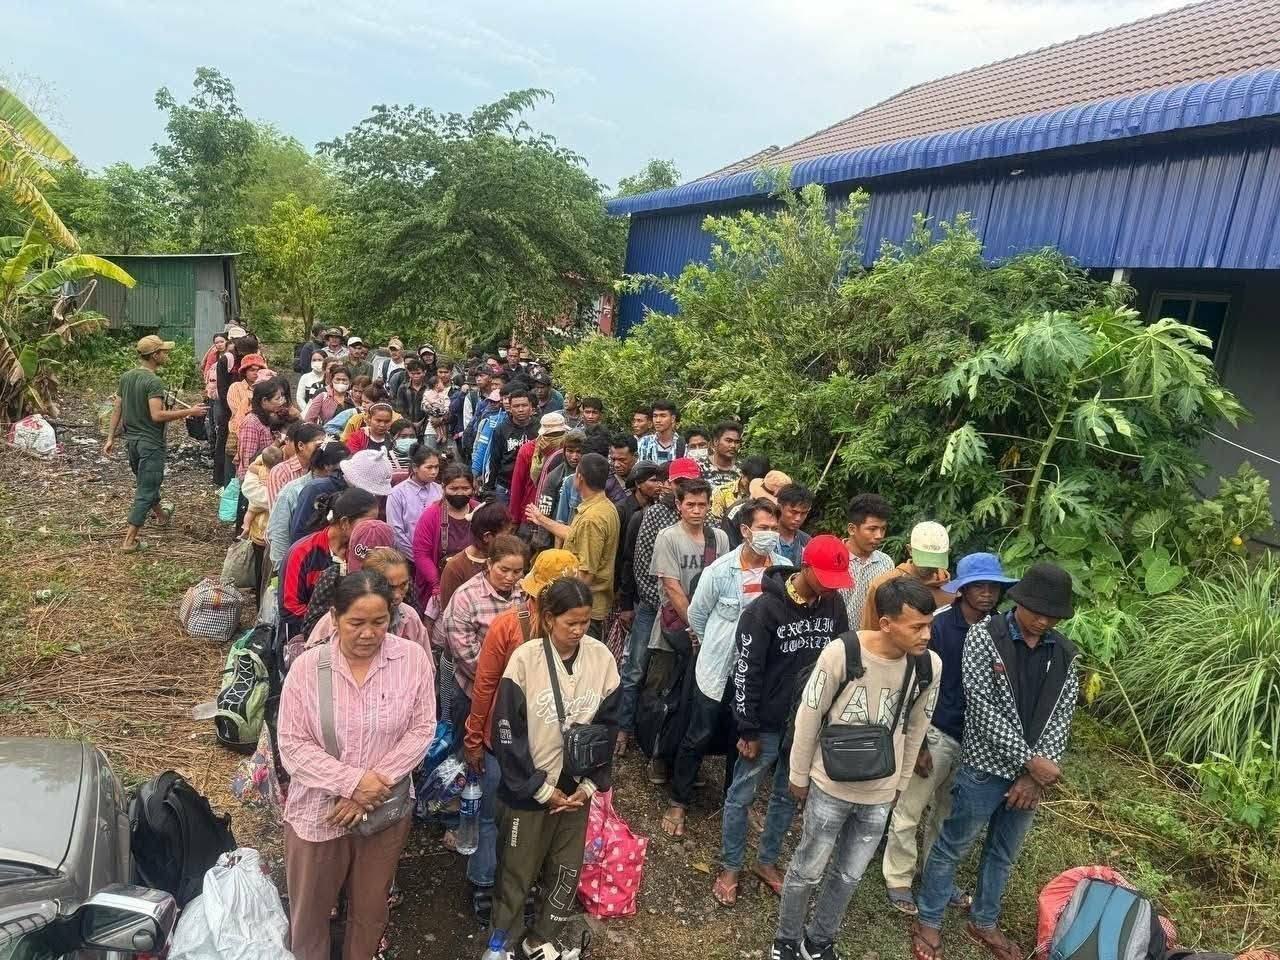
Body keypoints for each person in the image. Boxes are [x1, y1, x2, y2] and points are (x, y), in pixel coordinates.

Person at [912, 563, 1080, 960]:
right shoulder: (984, 636)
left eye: (1052, 614)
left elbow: (1062, 715)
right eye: (1037, 611)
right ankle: (929, 919)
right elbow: (983, 708)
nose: (1043, 620)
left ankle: (984, 919)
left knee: (1003, 853)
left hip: (1029, 780)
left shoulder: (1064, 653)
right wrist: (1029, 761)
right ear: (1019, 602)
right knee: (952, 845)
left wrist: (1034, 777)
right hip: (984, 768)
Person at [774, 578, 941, 960]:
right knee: (807, 869)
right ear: (886, 624)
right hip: (829, 787)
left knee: (849, 875)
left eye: (929, 625)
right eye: (917, 626)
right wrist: (798, 775)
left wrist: (899, 783)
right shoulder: (842, 652)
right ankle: (786, 939)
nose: (927, 635)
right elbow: (809, 714)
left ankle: (819, 941)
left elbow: (917, 728)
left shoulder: (929, 666)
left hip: (880, 793)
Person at [278, 569, 435, 960]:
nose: (368, 633)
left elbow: (421, 729)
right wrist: (352, 784)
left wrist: (369, 788)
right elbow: (293, 745)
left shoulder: (411, 659)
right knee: (309, 915)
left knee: (370, 910)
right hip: (320, 814)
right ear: (334, 617)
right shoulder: (307, 669)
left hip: (383, 812)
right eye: (356, 623)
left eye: (379, 622)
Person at [714, 534, 853, 908]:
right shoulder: (763, 611)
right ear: (805, 567)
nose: (831, 588)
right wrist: (747, 726)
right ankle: (730, 866)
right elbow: (746, 671)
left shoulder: (833, 605)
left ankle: (766, 860)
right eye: (826, 578)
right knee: (742, 794)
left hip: (806, 724)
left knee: (787, 794)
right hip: (765, 723)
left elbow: (840, 657)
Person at [486, 579, 621, 960]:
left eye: (585, 622)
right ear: (548, 619)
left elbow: (610, 724)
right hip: (531, 788)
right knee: (516, 871)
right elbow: (506, 731)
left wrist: (590, 785)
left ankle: (542, 936)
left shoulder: (601, 659)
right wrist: (539, 789)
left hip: (576, 789)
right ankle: (502, 942)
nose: (578, 631)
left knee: (566, 869)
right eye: (570, 623)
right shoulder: (525, 660)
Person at [883, 552, 1017, 916]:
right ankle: (898, 876)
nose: (987, 593)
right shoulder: (939, 626)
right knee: (911, 807)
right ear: (963, 589)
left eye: (993, 587)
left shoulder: (1000, 631)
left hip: (974, 739)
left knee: (948, 812)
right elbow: (913, 683)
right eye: (979, 586)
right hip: (937, 730)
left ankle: (935, 874)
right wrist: (918, 743)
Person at [461, 550, 580, 919]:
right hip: (521, 741)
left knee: (513, 816)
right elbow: (485, 685)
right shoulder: (512, 627)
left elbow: (485, 686)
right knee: (504, 814)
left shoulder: (530, 627)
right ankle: (495, 881)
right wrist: (474, 737)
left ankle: (503, 882)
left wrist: (475, 738)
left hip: (528, 742)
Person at [662, 497, 788, 838]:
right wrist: (715, 645)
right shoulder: (720, 571)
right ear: (745, 530)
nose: (770, 534)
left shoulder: (783, 571)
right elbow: (697, 616)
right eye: (763, 528)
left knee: (743, 739)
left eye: (774, 528)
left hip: (758, 676)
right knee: (698, 733)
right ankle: (679, 800)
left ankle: (736, 803)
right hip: (718, 670)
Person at [644, 476, 730, 784]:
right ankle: (657, 755)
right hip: (673, 630)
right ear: (678, 505)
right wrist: (696, 625)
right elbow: (671, 586)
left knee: (696, 699)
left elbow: (724, 581)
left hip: (709, 635)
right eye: (690, 504)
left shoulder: (719, 538)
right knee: (663, 694)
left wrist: (708, 631)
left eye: (702, 505)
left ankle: (687, 759)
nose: (696, 510)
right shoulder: (668, 538)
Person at [614, 457, 701, 757]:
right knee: (636, 668)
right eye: (680, 483)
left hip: (691, 613)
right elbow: (641, 567)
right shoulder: (653, 516)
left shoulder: (709, 522)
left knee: (674, 676)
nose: (686, 489)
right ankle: (624, 727)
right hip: (655, 607)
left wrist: (691, 609)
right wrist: (668, 605)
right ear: (669, 484)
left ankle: (663, 734)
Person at [103, 335, 208, 553]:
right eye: (164, 352)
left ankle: (161, 515)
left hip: (132, 443)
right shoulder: (154, 382)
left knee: (146, 482)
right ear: (154, 355)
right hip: (150, 443)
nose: (167, 355)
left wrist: (110, 437)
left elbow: (117, 408)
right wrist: (190, 411)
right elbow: (157, 415)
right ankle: (129, 541)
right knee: (146, 488)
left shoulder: (127, 377)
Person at [524, 452, 620, 639]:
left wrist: (563, 605)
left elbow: (586, 573)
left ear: (579, 478)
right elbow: (574, 535)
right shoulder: (604, 507)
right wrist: (541, 519)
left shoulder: (592, 518)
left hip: (581, 609)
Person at [436, 534, 529, 724]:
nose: (510, 578)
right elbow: (467, 657)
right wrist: (503, 684)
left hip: (517, 691)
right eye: (504, 570)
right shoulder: (465, 598)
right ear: (489, 563)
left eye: (517, 571)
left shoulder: (524, 592)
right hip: (472, 693)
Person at [280, 488, 381, 641]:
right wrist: (333, 627)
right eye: (367, 523)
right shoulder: (302, 552)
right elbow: (290, 607)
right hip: (306, 637)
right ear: (345, 522)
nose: (371, 529)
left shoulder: (366, 552)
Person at [307, 546, 430, 653]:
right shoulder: (338, 618)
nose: (397, 595)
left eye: (403, 585)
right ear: (369, 582)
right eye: (390, 587)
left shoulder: (410, 618)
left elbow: (425, 665)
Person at [268, 441, 350, 576]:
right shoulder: (295, 490)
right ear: (327, 466)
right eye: (342, 467)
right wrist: (283, 569)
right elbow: (279, 531)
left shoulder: (344, 487)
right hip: (298, 566)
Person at [411, 464, 480, 617]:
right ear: (443, 487)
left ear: (473, 488)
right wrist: (437, 584)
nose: (460, 493)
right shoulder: (431, 515)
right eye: (453, 489)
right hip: (439, 581)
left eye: (465, 488)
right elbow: (421, 554)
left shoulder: (479, 512)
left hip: (475, 584)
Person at [861, 521, 953, 630]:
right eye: (924, 558)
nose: (927, 566)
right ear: (910, 550)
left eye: (934, 560)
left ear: (947, 553)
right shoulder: (882, 585)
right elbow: (869, 631)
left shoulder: (951, 591)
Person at [437, 502, 517, 615]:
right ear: (487, 537)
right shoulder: (456, 568)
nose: (511, 538)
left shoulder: (509, 559)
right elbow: (451, 614)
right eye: (507, 534)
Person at [840, 493, 895, 627]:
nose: (879, 536)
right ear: (852, 529)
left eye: (883, 529)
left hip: (874, 637)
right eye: (872, 529)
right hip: (837, 637)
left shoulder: (886, 562)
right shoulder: (833, 560)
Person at [509, 412, 568, 526]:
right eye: (552, 435)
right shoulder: (528, 450)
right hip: (531, 511)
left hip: (559, 513)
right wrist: (514, 518)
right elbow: (517, 486)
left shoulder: (569, 451)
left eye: (560, 434)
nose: (556, 438)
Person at [386, 444, 442, 556]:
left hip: (437, 555)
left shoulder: (440, 490)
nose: (434, 472)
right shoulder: (397, 493)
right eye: (429, 467)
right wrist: (418, 556)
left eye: (436, 467)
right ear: (415, 467)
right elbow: (396, 532)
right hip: (407, 557)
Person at [237, 378, 292, 480]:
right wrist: (277, 442)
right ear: (264, 401)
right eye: (277, 399)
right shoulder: (251, 423)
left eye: (282, 397)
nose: (281, 402)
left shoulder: (270, 417)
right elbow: (248, 461)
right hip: (254, 479)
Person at [488, 389, 538, 501]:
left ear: (531, 407)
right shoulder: (501, 429)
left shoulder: (540, 428)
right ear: (510, 408)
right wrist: (489, 488)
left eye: (524, 405)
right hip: (505, 486)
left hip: (531, 486)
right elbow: (495, 460)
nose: (520, 409)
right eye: (516, 406)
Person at [268, 422, 327, 508]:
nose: (322, 450)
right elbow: (278, 511)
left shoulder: (325, 469)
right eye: (318, 446)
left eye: (325, 445)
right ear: (301, 445)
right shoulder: (280, 472)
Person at [714, 453, 770, 525]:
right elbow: (716, 523)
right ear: (742, 474)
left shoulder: (771, 494)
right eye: (750, 483)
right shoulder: (721, 492)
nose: (753, 487)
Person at [776, 483, 815, 564]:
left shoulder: (807, 542)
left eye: (804, 513)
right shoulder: (765, 538)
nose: (798, 518)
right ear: (780, 508)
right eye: (793, 512)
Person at [704, 421, 742, 500]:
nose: (733, 446)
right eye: (728, 441)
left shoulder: (742, 469)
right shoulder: (700, 466)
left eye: (736, 442)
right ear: (716, 441)